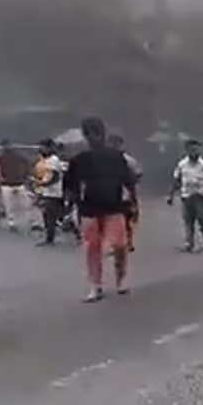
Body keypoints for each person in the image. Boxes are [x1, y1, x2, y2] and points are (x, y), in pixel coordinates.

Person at [65, 117, 138, 302]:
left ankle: (121, 279)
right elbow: (70, 185)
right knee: (92, 248)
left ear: (103, 134)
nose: (94, 137)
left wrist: (133, 203)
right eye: (90, 134)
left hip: (115, 207)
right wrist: (71, 206)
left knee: (119, 245)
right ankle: (95, 286)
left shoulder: (117, 157)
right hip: (89, 208)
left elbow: (128, 182)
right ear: (85, 136)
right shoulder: (79, 160)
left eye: (97, 133)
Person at [168, 138, 203, 252]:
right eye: (191, 150)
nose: (194, 152)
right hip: (186, 195)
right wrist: (171, 195)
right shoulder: (182, 164)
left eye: (196, 150)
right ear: (187, 150)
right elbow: (176, 180)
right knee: (188, 220)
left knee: (201, 218)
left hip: (200, 194)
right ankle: (189, 242)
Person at [109, 135, 143, 251]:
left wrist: (130, 183)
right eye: (112, 144)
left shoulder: (129, 160)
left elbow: (138, 174)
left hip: (125, 194)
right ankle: (115, 244)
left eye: (116, 144)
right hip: (109, 194)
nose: (114, 147)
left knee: (126, 220)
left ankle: (128, 242)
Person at [33, 139, 67, 246]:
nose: (41, 149)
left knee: (51, 216)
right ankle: (50, 237)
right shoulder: (46, 160)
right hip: (48, 191)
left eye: (43, 147)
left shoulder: (53, 160)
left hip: (53, 192)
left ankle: (50, 238)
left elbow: (55, 176)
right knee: (49, 215)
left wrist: (44, 184)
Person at [0, 140, 32, 232]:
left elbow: (27, 164)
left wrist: (26, 175)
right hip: (11, 183)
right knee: (12, 205)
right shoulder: (2, 156)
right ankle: (13, 222)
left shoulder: (11, 156)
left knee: (22, 204)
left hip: (14, 183)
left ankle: (26, 221)